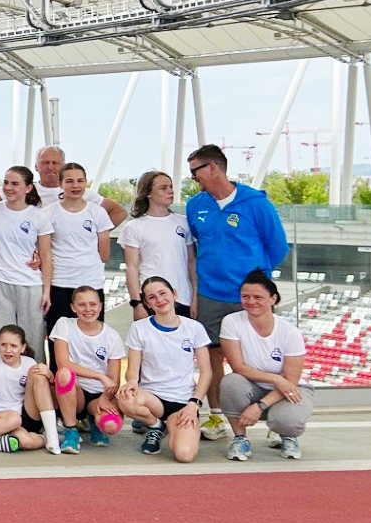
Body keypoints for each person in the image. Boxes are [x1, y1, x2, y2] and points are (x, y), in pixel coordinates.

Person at [185, 143, 290, 441]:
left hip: (250, 298)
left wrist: (256, 282)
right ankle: (217, 417)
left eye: (196, 171)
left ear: (213, 168)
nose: (193, 178)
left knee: (263, 357)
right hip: (209, 295)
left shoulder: (256, 204)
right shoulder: (196, 206)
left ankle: (276, 420)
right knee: (213, 358)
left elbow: (278, 247)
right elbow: (196, 247)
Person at [218, 271, 312, 461]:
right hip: (255, 384)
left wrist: (260, 406)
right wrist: (276, 378)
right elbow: (238, 367)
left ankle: (288, 435)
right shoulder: (232, 321)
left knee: (289, 422)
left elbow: (290, 382)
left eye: (258, 297)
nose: (251, 301)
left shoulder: (289, 332)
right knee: (230, 382)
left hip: (288, 390)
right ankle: (240, 438)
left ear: (273, 299)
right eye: (245, 297)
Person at [117, 276, 212, 462]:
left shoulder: (194, 328)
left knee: (184, 455)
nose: (159, 300)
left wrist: (194, 404)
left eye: (163, 293)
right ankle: (156, 425)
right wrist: (132, 382)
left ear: (174, 294)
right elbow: (133, 369)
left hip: (183, 401)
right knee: (126, 398)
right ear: (147, 303)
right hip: (154, 399)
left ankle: (176, 427)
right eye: (152, 297)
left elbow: (207, 372)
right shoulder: (139, 328)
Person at [0, 166, 53, 357]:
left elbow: (46, 256)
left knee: (33, 341)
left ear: (28, 188)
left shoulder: (38, 215)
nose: (9, 187)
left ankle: (37, 382)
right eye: (5, 183)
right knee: (0, 339)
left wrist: (46, 290)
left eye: (15, 183)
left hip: (29, 283)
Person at [48, 284, 126, 454]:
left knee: (111, 426)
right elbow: (63, 363)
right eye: (82, 304)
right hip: (75, 393)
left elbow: (114, 379)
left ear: (100, 306)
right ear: (73, 308)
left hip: (99, 395)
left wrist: (106, 398)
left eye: (92, 304)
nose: (88, 309)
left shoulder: (112, 336)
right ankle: (71, 429)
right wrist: (99, 376)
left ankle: (95, 421)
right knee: (64, 374)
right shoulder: (64, 324)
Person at [121, 170, 195, 319]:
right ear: (148, 193)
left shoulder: (184, 222)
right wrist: (137, 303)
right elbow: (132, 267)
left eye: (171, 187)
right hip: (152, 299)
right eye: (163, 188)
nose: (170, 191)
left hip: (183, 298)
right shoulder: (134, 227)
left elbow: (191, 262)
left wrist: (195, 298)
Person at [42, 163, 108, 328]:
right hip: (59, 285)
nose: (75, 186)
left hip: (91, 284)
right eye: (70, 181)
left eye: (80, 181)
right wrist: (47, 290)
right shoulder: (48, 213)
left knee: (92, 338)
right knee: (58, 339)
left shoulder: (98, 213)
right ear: (60, 184)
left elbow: (104, 254)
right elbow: (45, 253)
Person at [0, 325, 54, 453]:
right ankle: (40, 438)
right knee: (23, 440)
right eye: (3, 345)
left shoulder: (29, 362)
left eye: (13, 346)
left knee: (38, 376)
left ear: (22, 348)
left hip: (25, 415)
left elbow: (44, 393)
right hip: (0, 417)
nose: (8, 350)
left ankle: (51, 436)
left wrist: (50, 376)